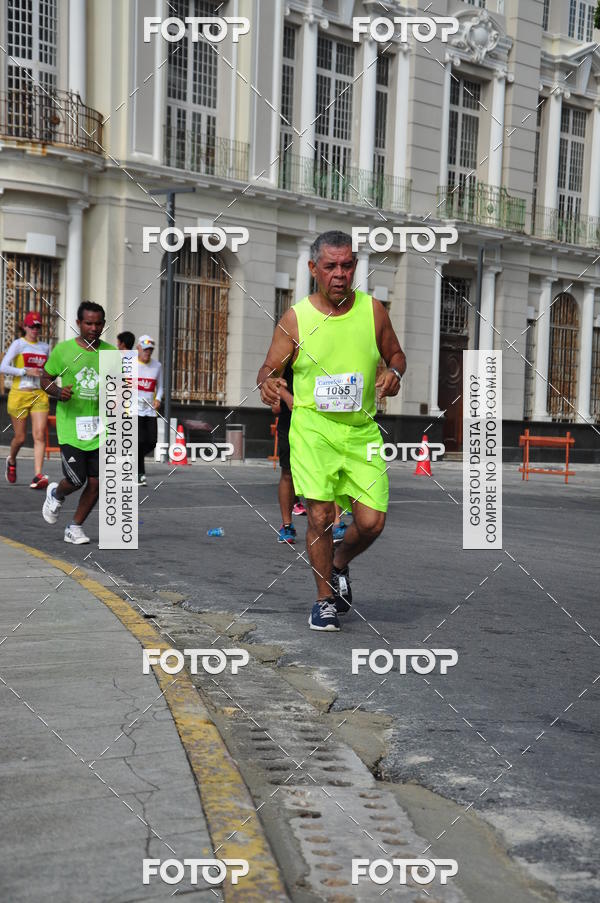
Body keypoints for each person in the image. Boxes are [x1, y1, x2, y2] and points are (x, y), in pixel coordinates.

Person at [258, 230, 406, 632]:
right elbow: (268, 369)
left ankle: (339, 562)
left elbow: (396, 354)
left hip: (361, 432)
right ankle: (323, 600)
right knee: (321, 515)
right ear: (313, 269)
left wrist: (393, 372)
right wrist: (269, 383)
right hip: (313, 430)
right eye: (330, 266)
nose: (339, 274)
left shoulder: (373, 311)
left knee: (373, 521)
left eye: (346, 265)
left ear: (354, 267)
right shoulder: (297, 318)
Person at [40, 301, 114, 544]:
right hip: (71, 427)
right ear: (79, 323)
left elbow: (119, 389)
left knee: (96, 481)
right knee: (76, 479)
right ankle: (56, 493)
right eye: (89, 323)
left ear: (103, 324)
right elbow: (45, 378)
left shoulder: (111, 353)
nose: (94, 328)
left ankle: (74, 527)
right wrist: (57, 392)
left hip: (100, 430)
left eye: (98, 323)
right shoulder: (63, 351)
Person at [1, 311, 50, 488]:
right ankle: (12, 460)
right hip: (19, 394)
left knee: (39, 435)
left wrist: (45, 374)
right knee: (20, 438)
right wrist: (25, 371)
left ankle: (37, 475)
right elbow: (3, 367)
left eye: (38, 326)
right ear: (25, 327)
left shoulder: (45, 347)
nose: (35, 330)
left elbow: (49, 371)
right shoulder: (18, 344)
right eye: (32, 326)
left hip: (39, 395)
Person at [273, 360, 299, 543]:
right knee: (288, 472)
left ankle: (336, 524)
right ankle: (287, 525)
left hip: (322, 416)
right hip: (290, 417)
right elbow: (271, 378)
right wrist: (284, 396)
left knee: (330, 470)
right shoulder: (290, 343)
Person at [135, 335, 163, 486]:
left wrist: (158, 399)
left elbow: (161, 387)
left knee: (152, 442)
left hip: (150, 410)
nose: (148, 353)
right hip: (133, 409)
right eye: (145, 350)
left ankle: (131, 458)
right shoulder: (130, 365)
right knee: (139, 441)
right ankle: (140, 474)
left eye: (150, 350)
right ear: (138, 348)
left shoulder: (156, 366)